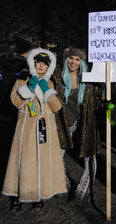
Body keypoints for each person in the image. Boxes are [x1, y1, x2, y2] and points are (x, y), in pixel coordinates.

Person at [2, 48, 67, 211]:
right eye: (38, 62)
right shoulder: (22, 80)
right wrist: (29, 89)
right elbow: (15, 101)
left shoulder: (50, 82)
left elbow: (57, 107)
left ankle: (39, 194)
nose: (41, 66)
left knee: (42, 163)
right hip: (26, 127)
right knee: (23, 162)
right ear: (33, 63)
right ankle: (17, 195)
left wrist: (47, 90)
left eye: (45, 64)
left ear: (48, 67)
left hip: (45, 128)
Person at [53, 47, 102, 205]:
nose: (73, 61)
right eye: (71, 58)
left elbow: (97, 103)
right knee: (56, 156)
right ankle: (63, 185)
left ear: (82, 62)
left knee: (89, 156)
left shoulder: (89, 80)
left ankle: (83, 192)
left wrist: (106, 101)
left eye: (77, 59)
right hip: (62, 122)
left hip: (85, 123)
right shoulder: (57, 77)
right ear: (67, 59)